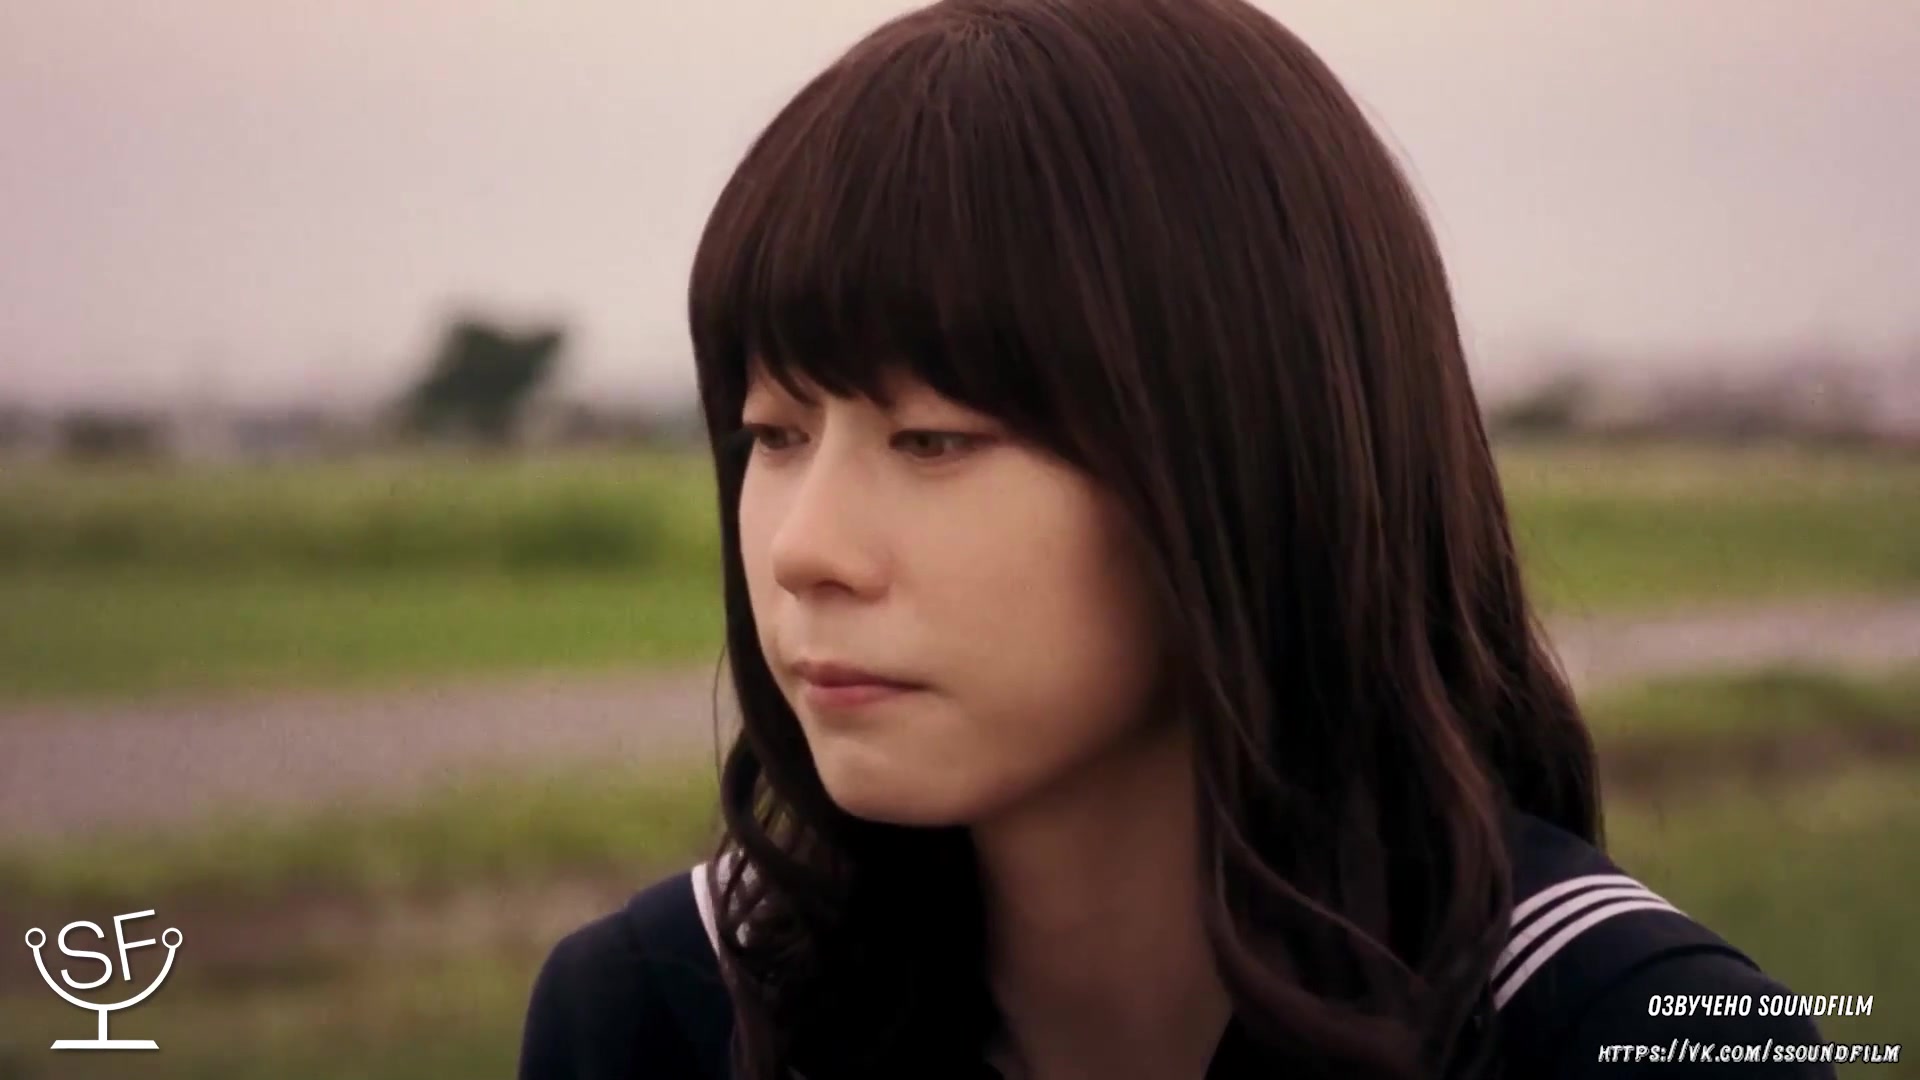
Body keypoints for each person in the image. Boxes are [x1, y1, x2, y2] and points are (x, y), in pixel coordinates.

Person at [518, 0, 1836, 1076]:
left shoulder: (1634, 1038)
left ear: (1248, 458)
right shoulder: (666, 1015)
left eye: (934, 441)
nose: (803, 550)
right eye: (773, 433)